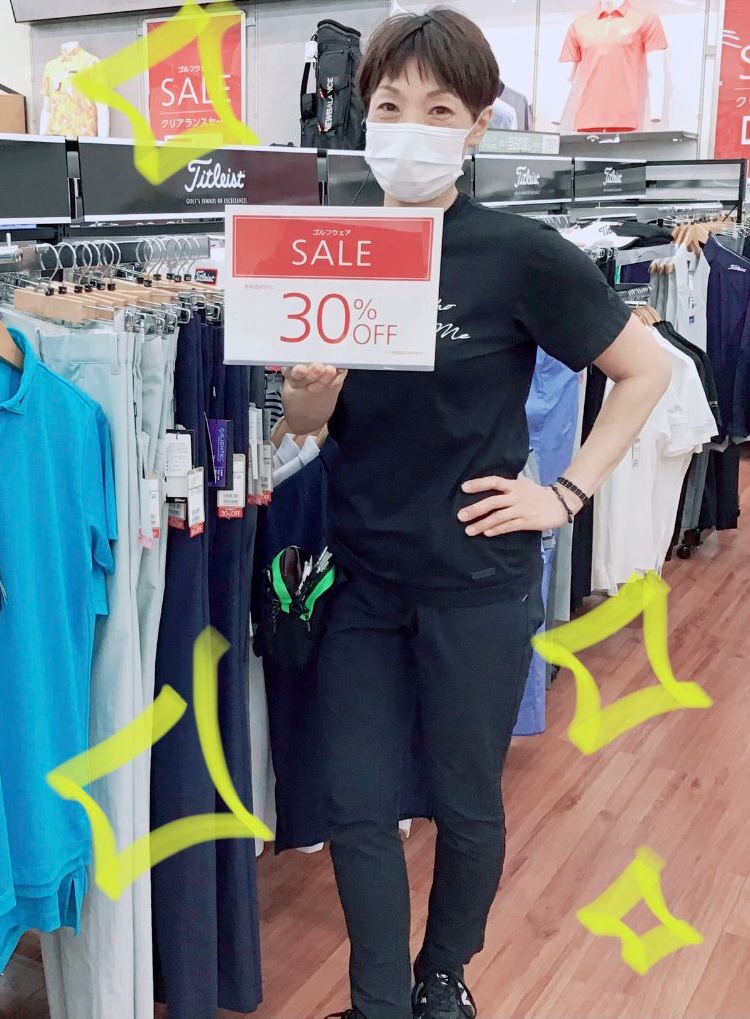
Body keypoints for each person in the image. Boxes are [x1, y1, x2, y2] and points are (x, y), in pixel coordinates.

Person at [279, 10, 672, 1019]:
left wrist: (563, 491)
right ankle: (376, 1002)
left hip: (476, 582)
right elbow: (304, 424)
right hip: (362, 577)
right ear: (360, 116)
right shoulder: (331, 246)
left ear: (477, 126)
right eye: (388, 106)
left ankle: (443, 975)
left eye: (438, 109)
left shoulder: (519, 253)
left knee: (463, 801)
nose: (409, 128)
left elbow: (645, 369)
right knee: (355, 802)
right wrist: (309, 395)